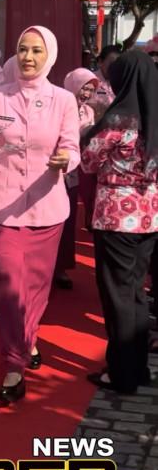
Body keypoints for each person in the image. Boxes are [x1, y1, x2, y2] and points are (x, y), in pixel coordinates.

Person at [0, 25, 80, 404]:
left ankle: (28, 338)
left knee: (36, 288)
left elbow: (72, 145)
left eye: (37, 50)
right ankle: (13, 363)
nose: (28, 57)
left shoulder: (63, 100)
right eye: (23, 49)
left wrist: (65, 160)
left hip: (47, 207)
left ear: (49, 55)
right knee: (9, 286)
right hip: (1, 208)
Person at [82, 49, 158, 394]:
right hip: (149, 216)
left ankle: (121, 373)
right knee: (137, 294)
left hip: (116, 218)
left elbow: (88, 161)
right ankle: (138, 368)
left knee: (118, 298)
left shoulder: (118, 119)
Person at [53, 68, 99, 289]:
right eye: (84, 88)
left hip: (75, 171)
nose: (86, 93)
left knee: (69, 221)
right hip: (55, 168)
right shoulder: (58, 104)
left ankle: (61, 267)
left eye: (90, 90)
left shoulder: (89, 112)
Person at [89, 44, 121, 122]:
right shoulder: (89, 79)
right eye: (112, 63)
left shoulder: (121, 82)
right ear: (100, 62)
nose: (115, 67)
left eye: (118, 64)